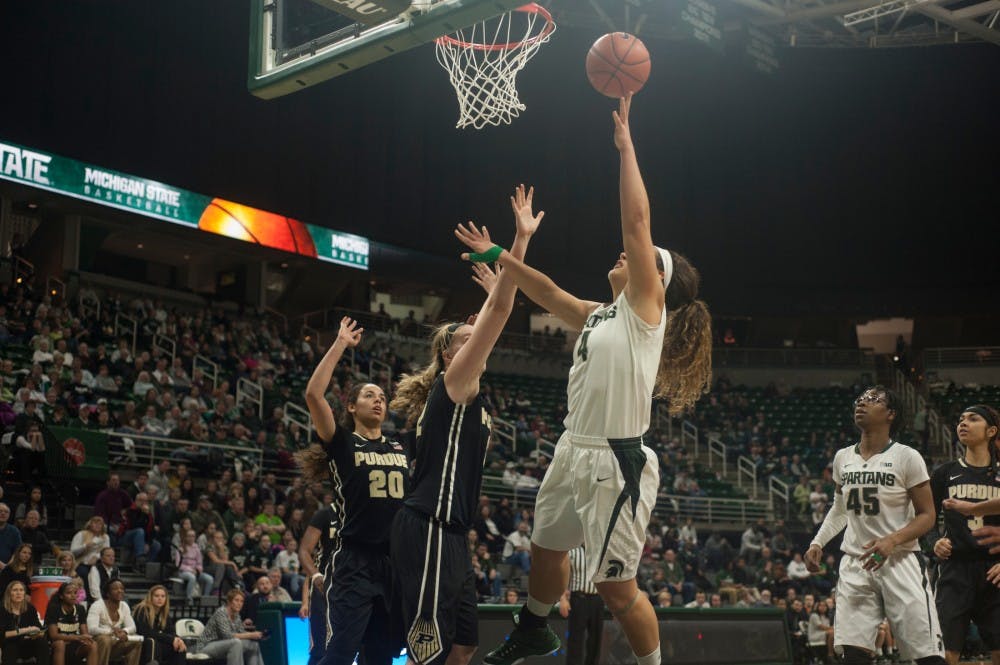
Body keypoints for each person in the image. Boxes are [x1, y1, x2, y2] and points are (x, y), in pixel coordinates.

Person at [470, 99, 712, 665]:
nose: (624, 254)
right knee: (545, 547)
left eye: (639, 258)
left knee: (616, 590)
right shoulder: (601, 313)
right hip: (573, 447)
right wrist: (502, 254)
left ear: (654, 278)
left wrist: (626, 149)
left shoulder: (644, 314)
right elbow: (550, 293)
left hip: (616, 460)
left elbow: (636, 223)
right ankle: (533, 628)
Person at [390, 185, 536, 665]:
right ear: (450, 354)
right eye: (468, 338)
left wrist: (499, 292)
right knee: (428, 649)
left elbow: (497, 314)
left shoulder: (468, 394)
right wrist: (517, 244)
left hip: (453, 532)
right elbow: (500, 314)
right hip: (429, 523)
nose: (479, 342)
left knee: (466, 642)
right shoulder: (455, 385)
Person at [804, 386, 945, 665]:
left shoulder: (907, 456)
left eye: (873, 400)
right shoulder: (843, 457)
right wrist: (818, 541)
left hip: (900, 561)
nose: (862, 403)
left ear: (890, 414)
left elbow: (928, 515)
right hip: (856, 562)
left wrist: (892, 540)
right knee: (854, 655)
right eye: (861, 399)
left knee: (926, 655)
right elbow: (840, 508)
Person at [299, 319, 409, 665]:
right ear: (351, 406)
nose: (378, 400)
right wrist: (340, 344)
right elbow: (313, 395)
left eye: (381, 397)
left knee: (380, 656)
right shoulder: (343, 443)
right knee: (340, 654)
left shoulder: (402, 444)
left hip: (393, 563)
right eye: (368, 395)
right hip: (352, 561)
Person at [929, 404, 1000, 665]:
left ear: (991, 430)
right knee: (946, 653)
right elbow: (925, 519)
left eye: (973, 418)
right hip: (954, 569)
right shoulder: (944, 473)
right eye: (960, 418)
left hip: (995, 571)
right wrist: (934, 542)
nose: (963, 422)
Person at [298, 504, 340, 665]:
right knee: (320, 647)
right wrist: (304, 603)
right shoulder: (325, 514)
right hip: (324, 584)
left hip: (350, 583)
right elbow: (309, 575)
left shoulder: (358, 511)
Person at [560, 546, 603, 665]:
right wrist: (563, 598)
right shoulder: (572, 551)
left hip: (597, 598)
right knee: (575, 638)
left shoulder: (600, 551)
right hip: (578, 598)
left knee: (596, 638)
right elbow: (562, 576)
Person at [196, 589, 263, 665]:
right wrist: (251, 635)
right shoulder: (221, 612)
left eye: (242, 601)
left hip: (224, 644)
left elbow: (242, 632)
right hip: (207, 646)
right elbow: (227, 635)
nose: (239, 604)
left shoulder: (236, 615)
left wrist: (256, 635)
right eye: (236, 600)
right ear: (229, 601)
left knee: (253, 645)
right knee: (236, 642)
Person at [86, 579, 141, 665]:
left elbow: (133, 627)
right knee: (105, 639)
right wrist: (111, 632)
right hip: (98, 642)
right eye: (115, 589)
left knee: (137, 640)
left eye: (122, 588)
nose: (120, 591)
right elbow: (91, 629)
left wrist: (124, 631)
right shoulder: (97, 605)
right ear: (108, 593)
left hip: (115, 641)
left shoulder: (124, 606)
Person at [46, 582, 98, 665]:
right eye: (69, 593)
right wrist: (77, 637)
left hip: (74, 646)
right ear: (61, 596)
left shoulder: (80, 609)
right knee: (60, 643)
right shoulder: (54, 609)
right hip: (56, 648)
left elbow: (85, 633)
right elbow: (54, 636)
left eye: (75, 593)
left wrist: (85, 638)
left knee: (92, 644)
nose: (73, 595)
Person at [133, 585, 186, 665]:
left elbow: (171, 631)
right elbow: (146, 632)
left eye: (163, 596)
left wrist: (178, 639)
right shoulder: (142, 609)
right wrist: (171, 639)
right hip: (142, 644)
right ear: (150, 597)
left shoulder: (164, 612)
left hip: (159, 642)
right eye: (156, 596)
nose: (160, 599)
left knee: (180, 645)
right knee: (152, 642)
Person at [0, 580, 48, 665]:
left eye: (21, 590)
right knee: (11, 647)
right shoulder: (2, 609)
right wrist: (26, 630)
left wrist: (36, 634)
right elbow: (2, 634)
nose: (18, 593)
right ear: (9, 594)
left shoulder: (30, 608)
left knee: (41, 641)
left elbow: (38, 628)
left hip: (27, 642)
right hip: (9, 644)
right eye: (15, 590)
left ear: (24, 593)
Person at [174, 529, 214, 601]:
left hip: (195, 571)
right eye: (189, 536)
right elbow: (178, 564)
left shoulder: (197, 548)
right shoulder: (180, 548)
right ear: (185, 537)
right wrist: (190, 570)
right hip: (183, 572)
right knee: (192, 577)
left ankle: (205, 599)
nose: (191, 538)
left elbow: (199, 563)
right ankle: (189, 599)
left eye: (193, 536)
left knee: (209, 579)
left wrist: (197, 570)